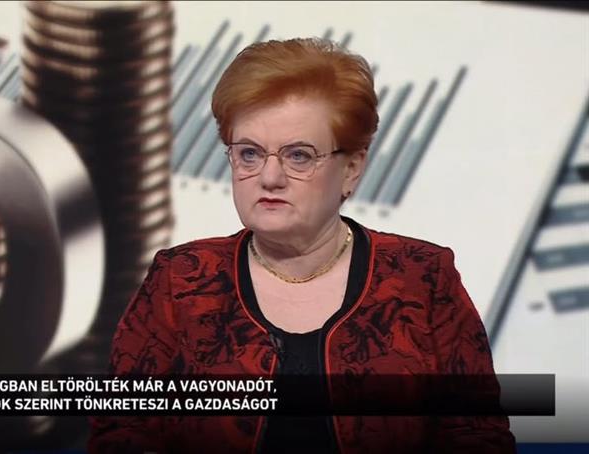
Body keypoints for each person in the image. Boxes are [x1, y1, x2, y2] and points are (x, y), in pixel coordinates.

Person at [89, 38, 515, 453]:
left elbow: (479, 437)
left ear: (351, 169)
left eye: (298, 156)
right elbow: (121, 431)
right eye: (250, 153)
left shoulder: (422, 278)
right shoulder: (181, 279)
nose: (269, 177)